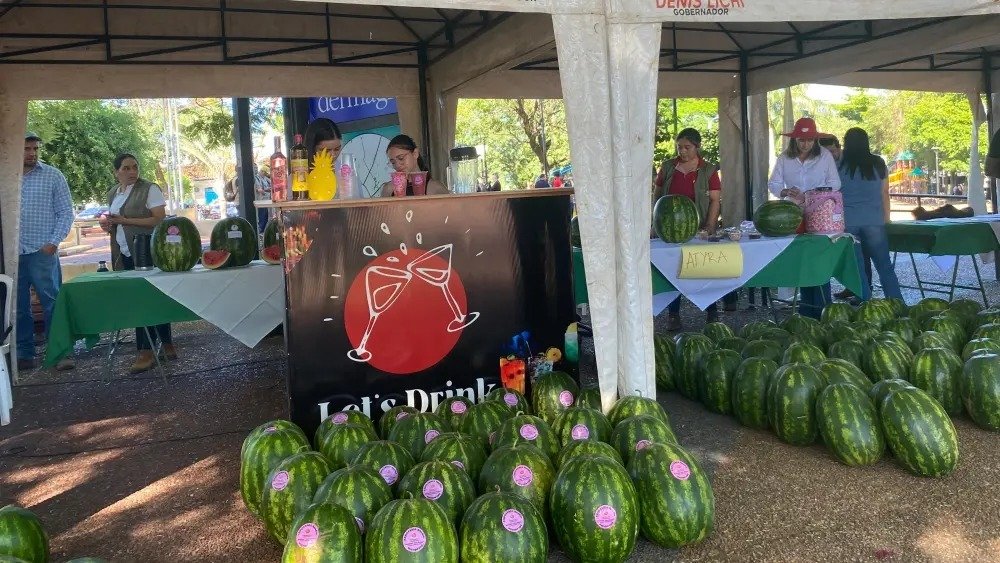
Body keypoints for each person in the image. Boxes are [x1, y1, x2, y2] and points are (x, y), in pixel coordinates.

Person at [652, 127, 734, 329]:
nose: (682, 151)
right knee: (673, 269)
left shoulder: (708, 170)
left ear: (697, 147)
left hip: (698, 227)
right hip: (671, 230)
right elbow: (657, 196)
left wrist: (710, 225)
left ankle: (712, 311)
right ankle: (673, 314)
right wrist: (656, 224)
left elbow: (715, 200)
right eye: (679, 147)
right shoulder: (668, 167)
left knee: (705, 269)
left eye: (687, 147)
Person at [99, 153, 174, 374]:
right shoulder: (114, 192)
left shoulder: (150, 189)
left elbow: (159, 219)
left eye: (135, 167)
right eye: (126, 168)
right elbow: (115, 219)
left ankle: (145, 351)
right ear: (116, 172)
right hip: (124, 251)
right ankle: (167, 344)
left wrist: (124, 220)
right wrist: (109, 224)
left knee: (144, 299)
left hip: (147, 251)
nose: (132, 171)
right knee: (147, 296)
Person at [767, 117, 841, 319]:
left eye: (809, 139)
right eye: (801, 139)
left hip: (819, 213)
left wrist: (811, 194)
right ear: (794, 139)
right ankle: (806, 308)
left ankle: (824, 308)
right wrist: (784, 192)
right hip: (793, 216)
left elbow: (835, 183)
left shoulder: (824, 156)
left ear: (815, 140)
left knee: (817, 259)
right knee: (801, 259)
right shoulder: (784, 158)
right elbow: (773, 184)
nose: (805, 143)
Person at [17, 132, 75, 371]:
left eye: (35, 149)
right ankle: (23, 354)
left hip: (43, 251)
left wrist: (52, 243)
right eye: (27, 149)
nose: (32, 153)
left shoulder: (53, 176)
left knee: (52, 303)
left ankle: (60, 352)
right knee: (17, 307)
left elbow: (65, 212)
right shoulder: (6, 176)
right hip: (13, 254)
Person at [836, 127, 903, 302]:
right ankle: (896, 302)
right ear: (867, 142)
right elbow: (884, 193)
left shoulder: (839, 165)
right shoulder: (879, 163)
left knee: (857, 267)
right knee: (884, 266)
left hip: (848, 221)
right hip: (874, 221)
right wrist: (886, 219)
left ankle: (864, 302)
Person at [378, 134, 448, 197]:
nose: (397, 165)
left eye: (401, 158)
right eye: (393, 162)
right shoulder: (389, 189)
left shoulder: (434, 188)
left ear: (415, 153)